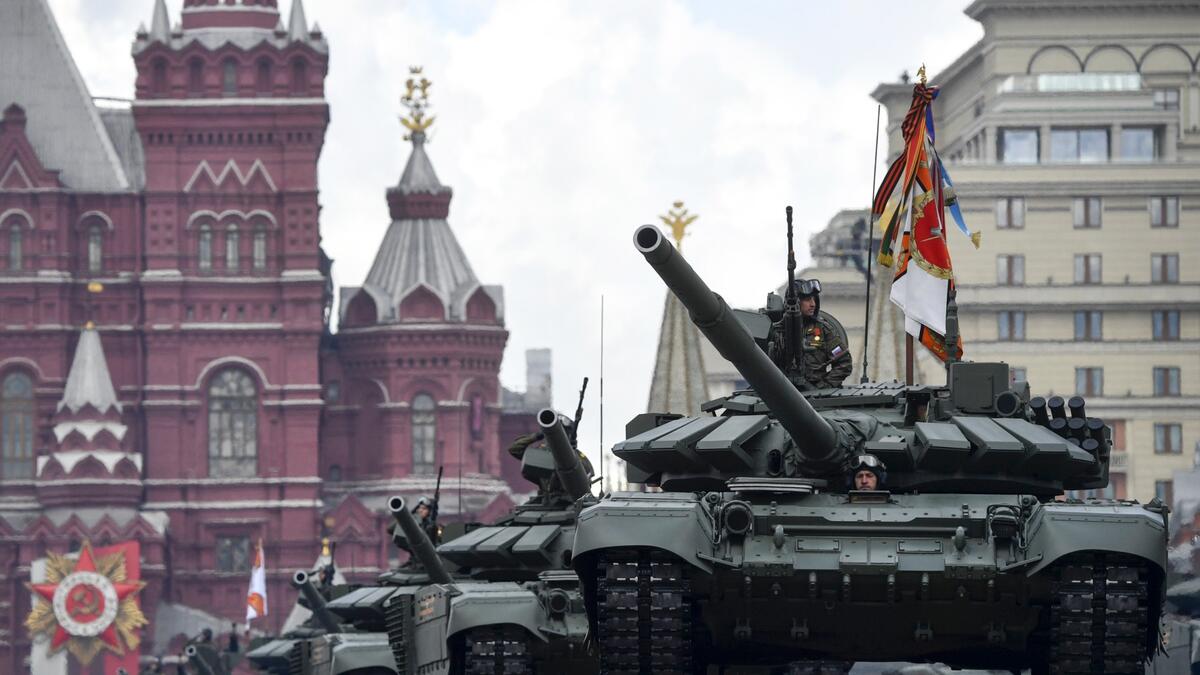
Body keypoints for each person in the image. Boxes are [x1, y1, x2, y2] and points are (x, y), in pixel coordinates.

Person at [794, 278, 853, 389]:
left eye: (814, 299)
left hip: (814, 393)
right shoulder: (778, 330)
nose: (812, 304)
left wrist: (823, 387)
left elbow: (844, 362)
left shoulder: (822, 329)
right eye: (807, 300)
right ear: (796, 302)